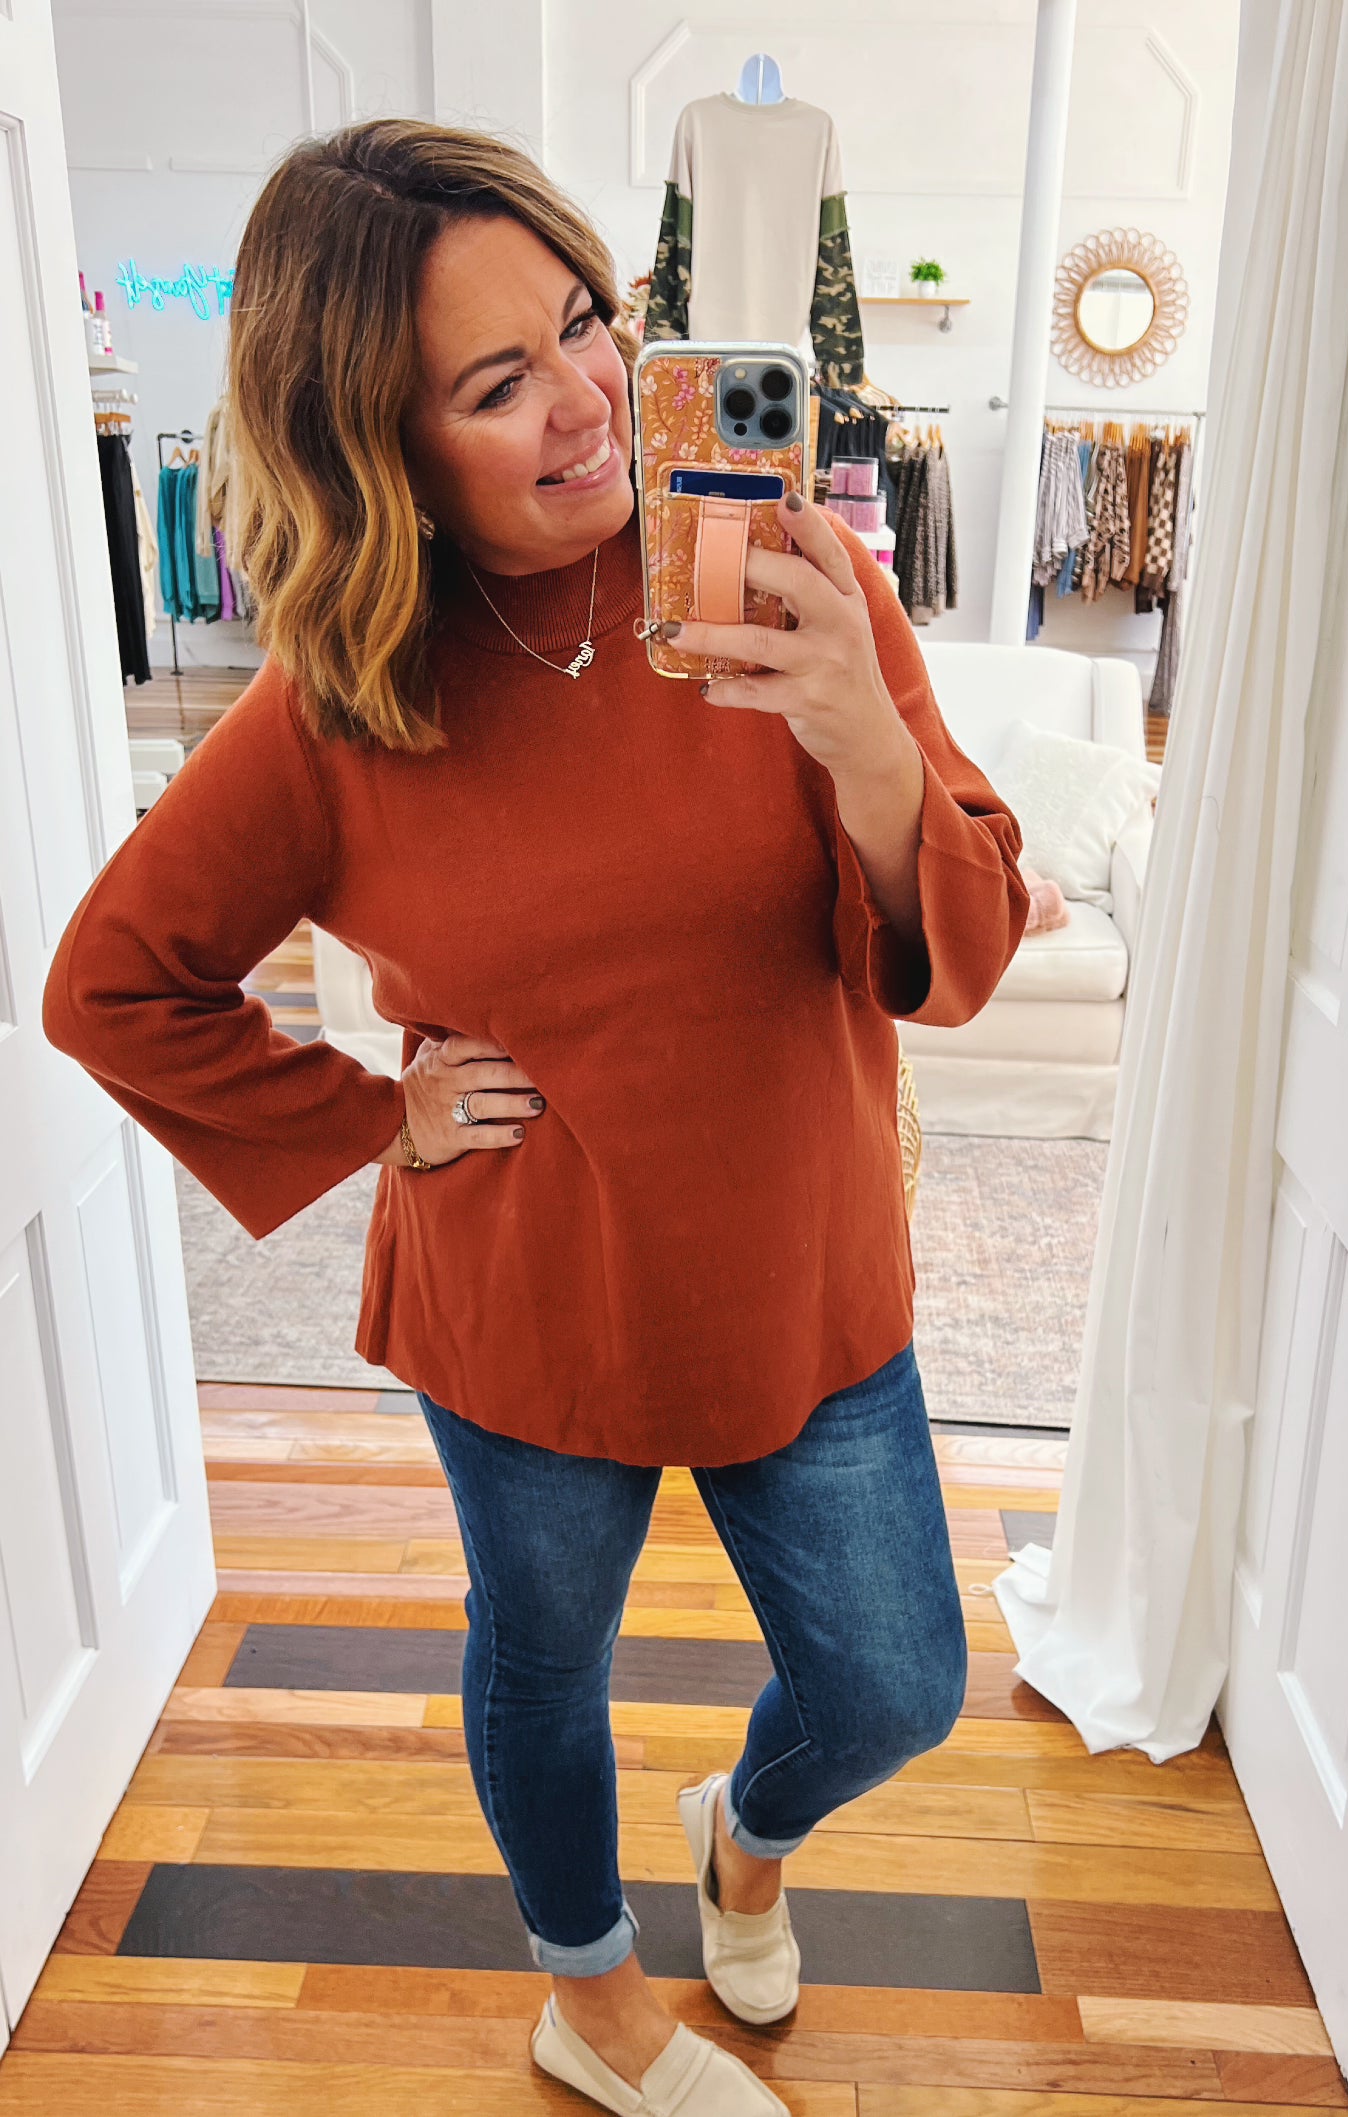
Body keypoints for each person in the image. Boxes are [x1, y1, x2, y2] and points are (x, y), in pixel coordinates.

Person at [44, 121, 1027, 2117]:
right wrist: (366, 1115)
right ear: (379, 448)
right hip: (529, 1295)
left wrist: (859, 737)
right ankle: (589, 1997)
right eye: (497, 383)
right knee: (540, 1662)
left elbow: (966, 943)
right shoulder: (341, 701)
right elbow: (112, 985)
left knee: (895, 1680)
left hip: (804, 1261)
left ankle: (744, 1832)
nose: (587, 398)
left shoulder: (794, 572)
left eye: (588, 322)